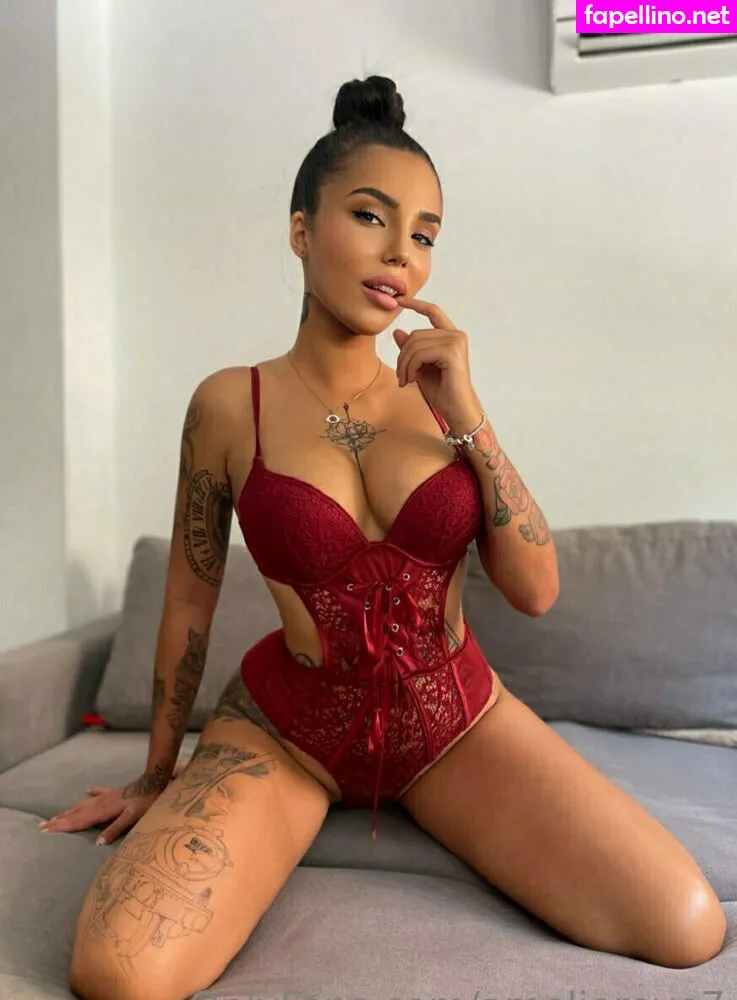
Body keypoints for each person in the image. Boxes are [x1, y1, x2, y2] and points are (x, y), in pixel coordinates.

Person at [49, 75, 723, 1000]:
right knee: (118, 974)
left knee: (686, 925)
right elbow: (189, 597)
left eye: (424, 234)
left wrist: (469, 415)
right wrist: (154, 774)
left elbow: (535, 591)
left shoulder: (439, 397)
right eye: (370, 217)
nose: (400, 253)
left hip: (454, 723)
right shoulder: (229, 405)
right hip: (290, 732)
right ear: (300, 230)